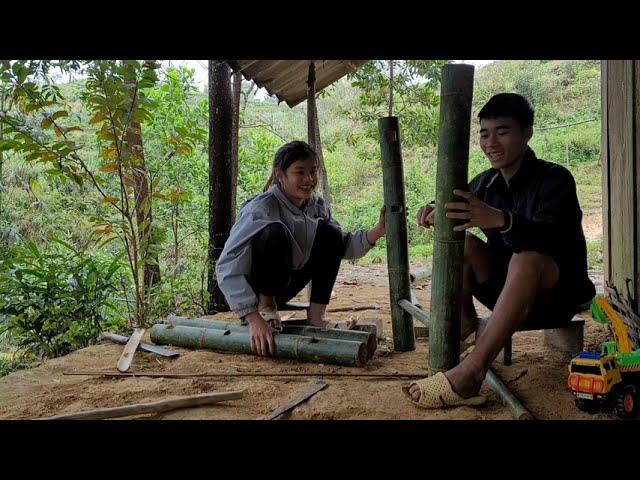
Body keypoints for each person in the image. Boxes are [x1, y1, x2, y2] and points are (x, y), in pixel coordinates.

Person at [405, 93, 596, 408]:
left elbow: (552, 239)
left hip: (555, 297)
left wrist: (499, 219)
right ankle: (466, 322)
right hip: (505, 293)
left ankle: (471, 372)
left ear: (527, 133)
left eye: (502, 131)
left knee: (528, 257)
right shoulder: (485, 183)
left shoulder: (555, 179)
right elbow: (455, 205)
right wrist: (433, 209)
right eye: (484, 133)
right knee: (462, 241)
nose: (490, 142)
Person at [215, 140, 386, 357]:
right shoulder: (261, 208)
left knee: (330, 231)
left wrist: (379, 230)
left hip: (287, 282)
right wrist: (253, 319)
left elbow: (341, 247)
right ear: (280, 174)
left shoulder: (316, 205)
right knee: (273, 232)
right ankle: (267, 309)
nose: (309, 179)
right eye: (300, 172)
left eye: (313, 171)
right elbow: (226, 267)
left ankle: (316, 316)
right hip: (257, 290)